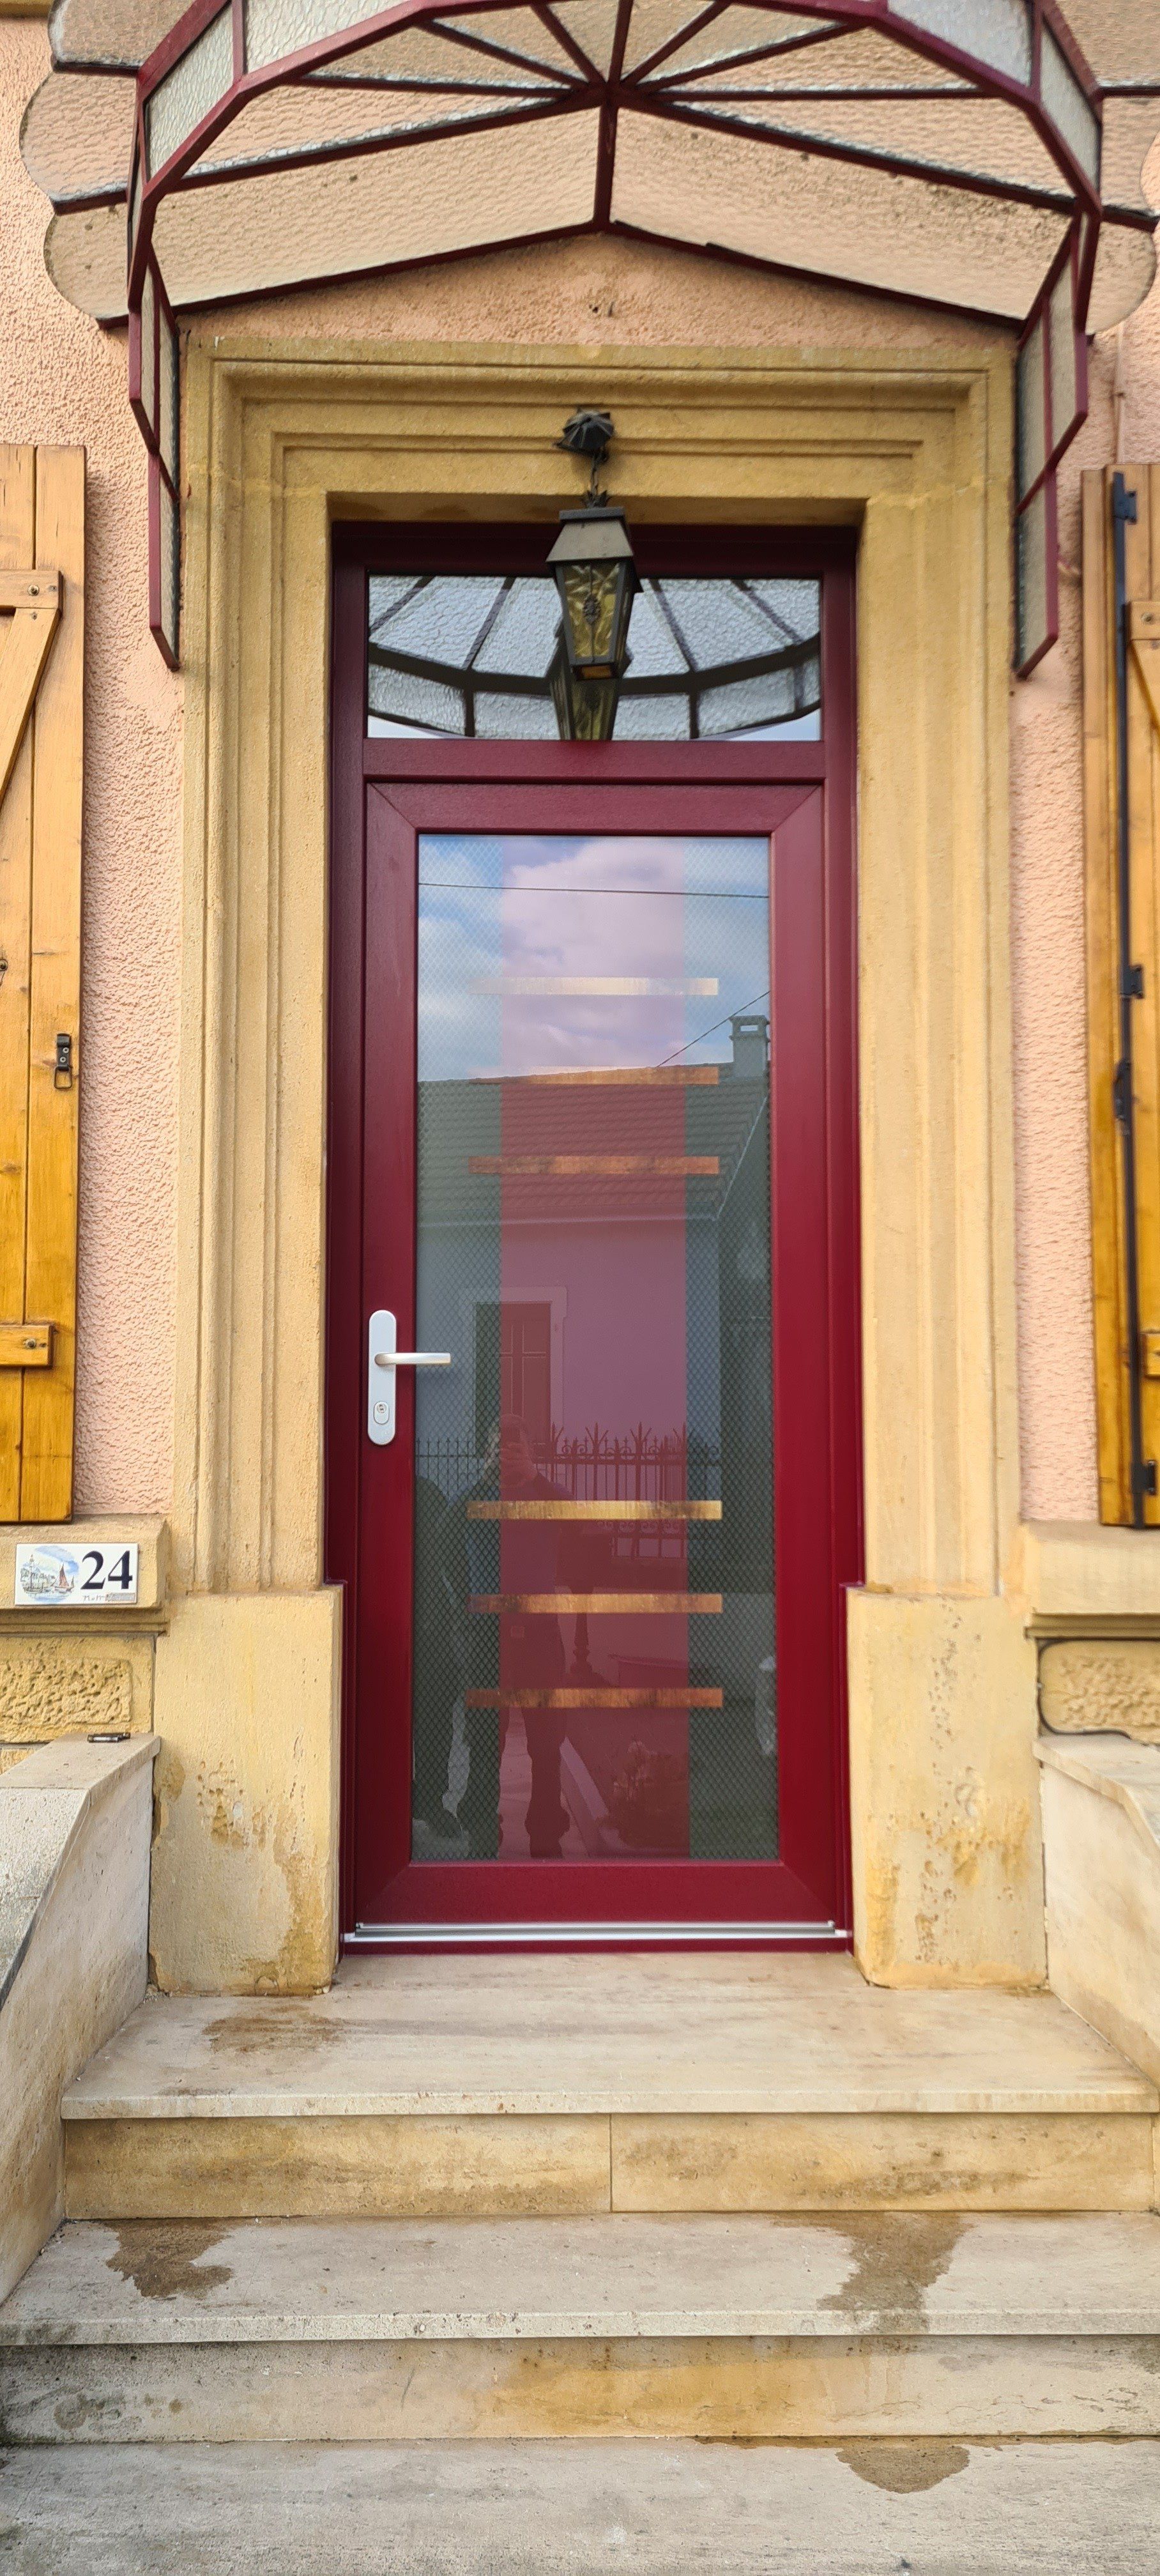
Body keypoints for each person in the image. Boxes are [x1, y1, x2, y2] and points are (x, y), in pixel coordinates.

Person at [440, 1413, 570, 1859]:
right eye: (498, 1447)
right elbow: (443, 1540)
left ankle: (546, 1836)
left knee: (547, 1744)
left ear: (532, 1454)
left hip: (539, 1639)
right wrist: (468, 1599)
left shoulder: (546, 1497)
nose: (505, 1455)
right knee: (483, 1745)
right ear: (486, 1453)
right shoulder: (474, 1499)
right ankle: (482, 1831)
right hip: (486, 1641)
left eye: (516, 1449)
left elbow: (578, 1522)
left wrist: (534, 1478)